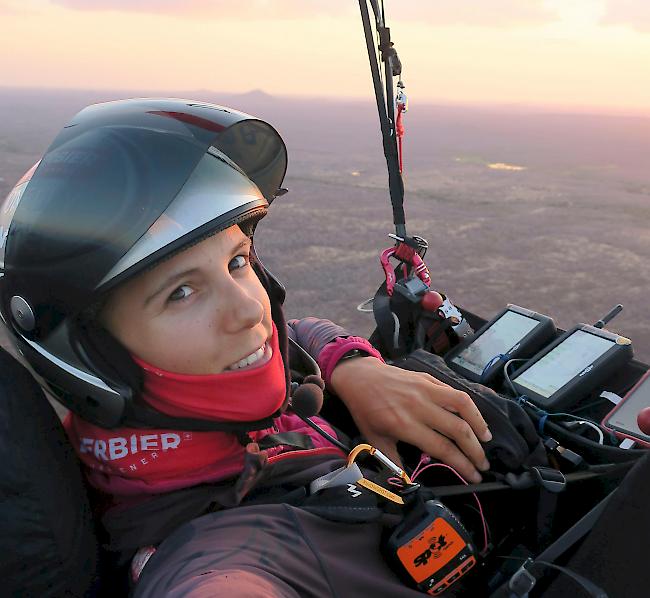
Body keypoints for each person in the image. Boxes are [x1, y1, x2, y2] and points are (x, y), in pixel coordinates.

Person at [0, 98, 491, 596]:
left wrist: (353, 364)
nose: (249, 310)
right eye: (181, 293)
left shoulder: (208, 412)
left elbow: (296, 331)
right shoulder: (208, 558)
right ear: (91, 354)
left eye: (237, 262)